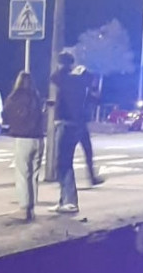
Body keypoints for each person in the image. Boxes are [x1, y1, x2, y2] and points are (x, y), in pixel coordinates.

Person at [49, 52, 92, 214]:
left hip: (67, 124)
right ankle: (63, 200)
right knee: (62, 163)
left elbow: (54, 77)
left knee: (64, 162)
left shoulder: (67, 78)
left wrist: (66, 68)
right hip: (71, 124)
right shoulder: (77, 79)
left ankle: (70, 201)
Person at [3, 71, 43, 222]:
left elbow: (5, 114)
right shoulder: (36, 97)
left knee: (22, 173)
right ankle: (32, 208)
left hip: (23, 138)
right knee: (34, 175)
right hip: (38, 139)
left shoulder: (15, 97)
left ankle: (24, 207)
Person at [78, 69, 104, 186]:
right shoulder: (82, 90)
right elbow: (96, 101)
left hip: (79, 124)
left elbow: (97, 101)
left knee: (87, 151)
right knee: (87, 151)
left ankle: (92, 177)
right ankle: (92, 177)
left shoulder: (83, 90)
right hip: (78, 124)